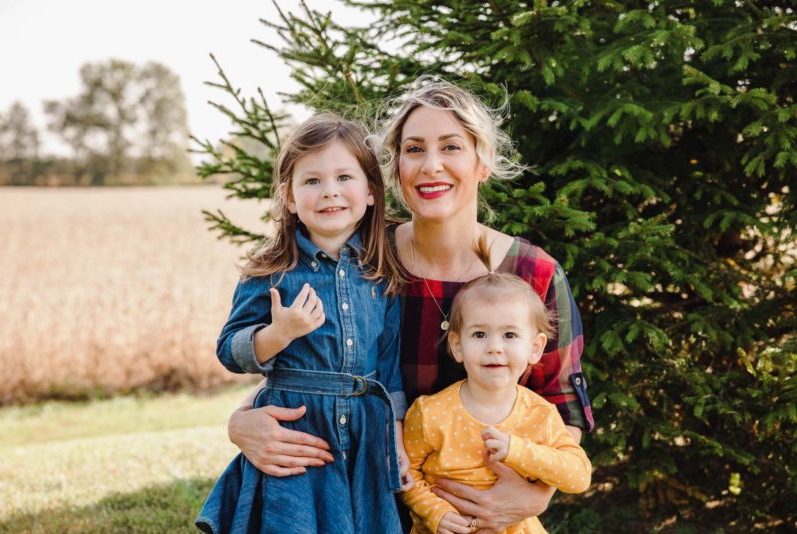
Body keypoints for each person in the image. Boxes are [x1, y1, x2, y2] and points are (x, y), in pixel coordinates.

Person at [226, 78, 594, 533]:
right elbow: (313, 363)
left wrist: (536, 493)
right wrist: (240, 422)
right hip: (368, 501)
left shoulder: (531, 272)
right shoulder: (364, 261)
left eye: (451, 147)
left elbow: (562, 404)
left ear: (482, 163)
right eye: (414, 149)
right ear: (395, 167)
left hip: (484, 518)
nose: (431, 165)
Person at [195, 113, 412, 534]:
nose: (330, 191)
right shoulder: (271, 271)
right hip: (297, 431)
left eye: (344, 177)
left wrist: (396, 441)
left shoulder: (380, 272)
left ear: (370, 191)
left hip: (365, 433)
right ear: (290, 198)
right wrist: (278, 334)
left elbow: (389, 370)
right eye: (312, 181)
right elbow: (229, 350)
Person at [401, 247, 592, 534]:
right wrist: (435, 512)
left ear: (535, 348)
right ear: (457, 346)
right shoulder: (430, 413)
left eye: (510, 335)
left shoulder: (540, 415)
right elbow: (406, 475)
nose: (494, 347)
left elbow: (578, 476)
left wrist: (517, 451)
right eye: (479, 334)